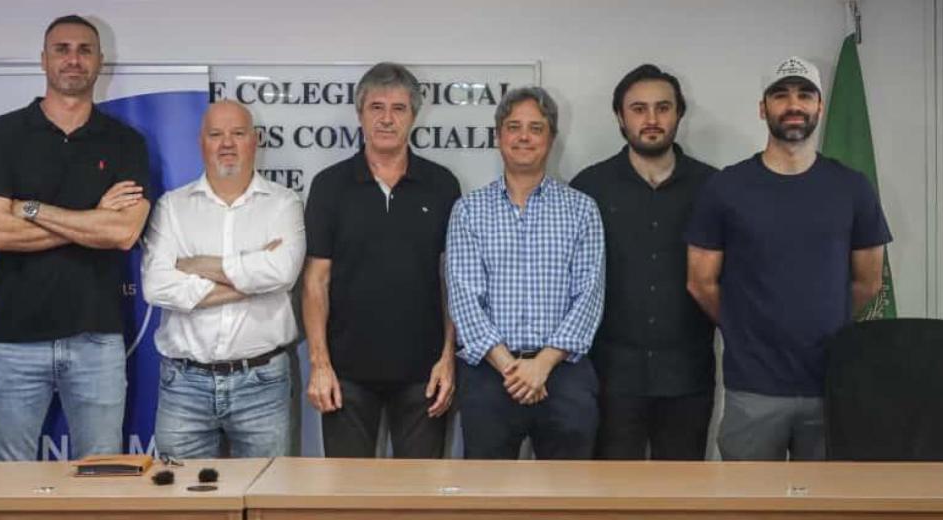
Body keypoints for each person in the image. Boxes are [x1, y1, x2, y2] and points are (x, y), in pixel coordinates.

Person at [685, 56, 892, 461]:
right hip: (752, 388)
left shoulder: (852, 188)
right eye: (780, 95)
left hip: (829, 384)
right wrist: (745, 327)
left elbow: (869, 282)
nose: (792, 104)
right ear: (763, 108)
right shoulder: (726, 187)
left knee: (823, 507)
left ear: (819, 107)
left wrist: (823, 322)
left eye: (804, 95)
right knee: (750, 506)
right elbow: (700, 282)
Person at [0, 14, 150, 461]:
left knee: (102, 480)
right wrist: (92, 222)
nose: (73, 59)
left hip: (97, 339)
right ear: (43, 60)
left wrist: (30, 209)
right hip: (14, 341)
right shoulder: (3, 134)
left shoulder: (125, 142)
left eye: (84, 50)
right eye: (62, 49)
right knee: (9, 486)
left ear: (100, 62)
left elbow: (124, 232)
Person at [302, 62, 461, 458]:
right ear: (360, 114)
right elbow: (315, 281)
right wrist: (320, 365)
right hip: (347, 376)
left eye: (398, 108)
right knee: (347, 500)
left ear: (414, 116)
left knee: (420, 499)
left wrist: (448, 359)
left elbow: (451, 279)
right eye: (376, 107)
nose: (387, 119)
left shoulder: (442, 185)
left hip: (424, 375)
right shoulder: (329, 185)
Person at [447, 86, 604, 459]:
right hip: (489, 375)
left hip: (564, 374)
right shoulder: (469, 210)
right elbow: (465, 299)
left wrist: (542, 365)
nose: (524, 137)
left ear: (550, 138)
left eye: (535, 128)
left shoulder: (581, 210)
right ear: (498, 136)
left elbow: (589, 296)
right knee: (486, 500)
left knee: (567, 498)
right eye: (514, 126)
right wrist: (511, 368)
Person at [141, 100, 305, 458]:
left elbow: (283, 272)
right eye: (216, 134)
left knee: (266, 502)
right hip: (184, 385)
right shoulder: (172, 207)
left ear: (255, 141)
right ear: (202, 142)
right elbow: (157, 286)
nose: (227, 143)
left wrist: (196, 264)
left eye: (238, 133)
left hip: (263, 382)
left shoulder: (283, 203)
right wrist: (253, 278)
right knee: (184, 507)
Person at [571, 64, 716, 460]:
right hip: (609, 376)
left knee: (682, 497)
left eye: (662, 107)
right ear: (620, 116)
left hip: (688, 374)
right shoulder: (588, 188)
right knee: (611, 500)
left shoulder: (715, 188)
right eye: (638, 108)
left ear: (678, 114)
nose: (651, 119)